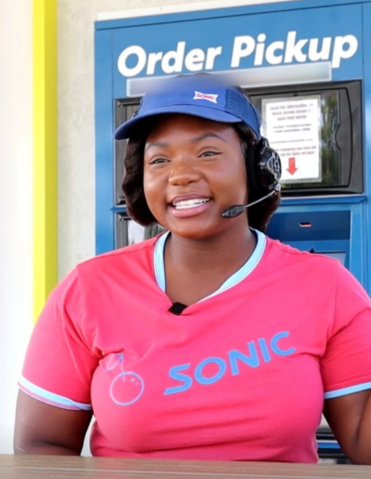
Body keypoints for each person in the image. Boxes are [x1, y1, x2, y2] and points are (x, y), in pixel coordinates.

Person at [14, 74, 371, 464]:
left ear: (256, 170)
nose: (180, 175)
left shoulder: (325, 286)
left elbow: (360, 440)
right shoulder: (88, 289)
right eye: (160, 160)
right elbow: (40, 446)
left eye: (207, 153)